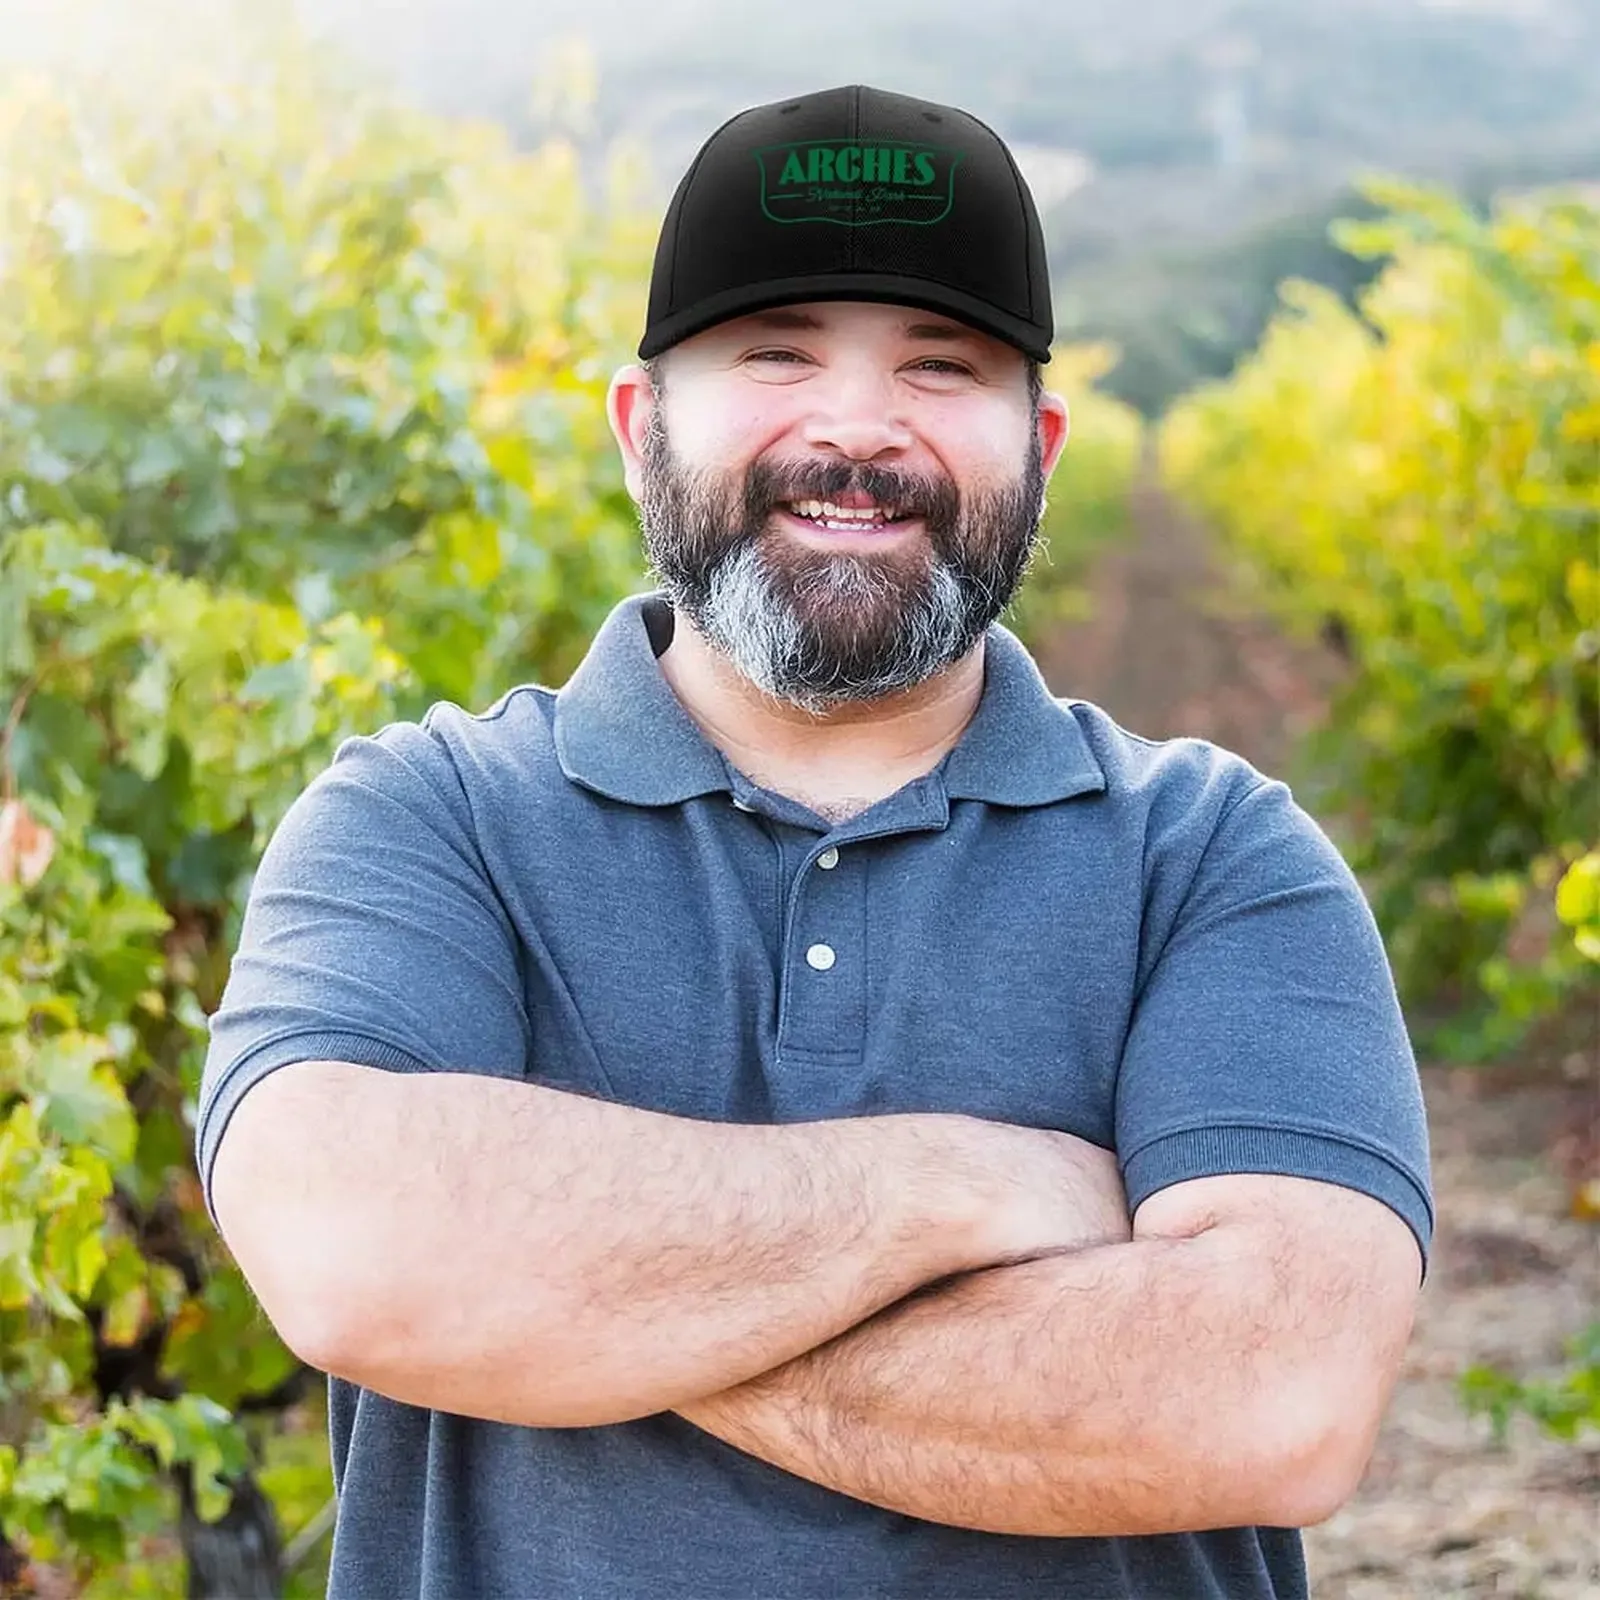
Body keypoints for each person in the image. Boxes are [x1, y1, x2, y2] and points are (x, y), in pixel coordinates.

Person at [199, 83, 1432, 1600]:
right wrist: (966, 1190)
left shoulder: (1217, 857)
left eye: (940, 365)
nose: (858, 429)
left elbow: (1267, 1398)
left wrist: (565, 1303)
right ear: (641, 429)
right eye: (775, 355)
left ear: (1039, 445)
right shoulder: (422, 818)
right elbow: (352, 1250)